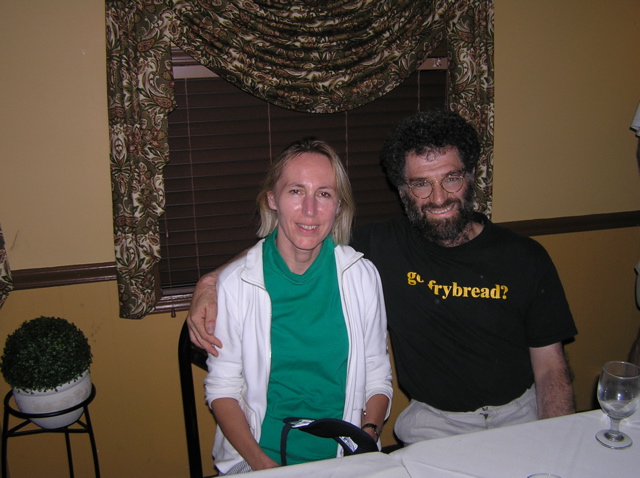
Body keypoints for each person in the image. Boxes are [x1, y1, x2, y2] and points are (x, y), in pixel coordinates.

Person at [189, 110, 577, 446]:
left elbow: (551, 369)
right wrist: (210, 282)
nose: (438, 197)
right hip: (435, 424)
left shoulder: (524, 257)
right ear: (403, 190)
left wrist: (556, 442)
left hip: (520, 414)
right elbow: (296, 236)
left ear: (471, 176)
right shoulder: (380, 246)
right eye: (421, 184)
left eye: (451, 178)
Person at [204, 138, 392, 474]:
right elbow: (222, 389)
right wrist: (265, 467)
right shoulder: (237, 283)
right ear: (272, 199)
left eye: (324, 194)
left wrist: (367, 436)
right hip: (259, 458)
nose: (310, 209)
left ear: (339, 205)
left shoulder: (361, 276)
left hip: (346, 458)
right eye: (295, 191)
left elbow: (377, 372)